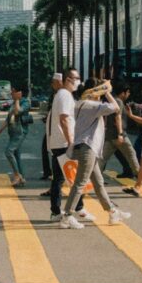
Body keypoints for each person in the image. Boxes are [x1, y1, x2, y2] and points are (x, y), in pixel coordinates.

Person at [60, 80, 132, 229]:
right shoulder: (92, 106)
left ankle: (112, 212)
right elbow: (116, 107)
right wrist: (107, 92)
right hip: (88, 147)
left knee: (98, 183)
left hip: (83, 147)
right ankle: (67, 216)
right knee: (80, 183)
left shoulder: (80, 103)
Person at [47, 70, 87, 221]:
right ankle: (76, 209)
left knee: (61, 178)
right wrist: (71, 142)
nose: (78, 81)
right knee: (74, 178)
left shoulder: (63, 95)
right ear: (68, 79)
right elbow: (64, 119)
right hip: (64, 143)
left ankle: (58, 212)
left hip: (60, 142)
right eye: (77, 78)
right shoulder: (64, 95)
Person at [102, 81, 141, 189]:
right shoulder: (118, 101)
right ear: (124, 92)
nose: (128, 95)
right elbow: (117, 118)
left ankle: (93, 176)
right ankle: (139, 175)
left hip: (110, 135)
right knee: (131, 153)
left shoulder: (113, 100)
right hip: (118, 134)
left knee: (102, 158)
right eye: (128, 93)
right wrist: (120, 134)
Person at [0, 86, 27, 186]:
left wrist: (17, 99)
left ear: (20, 93)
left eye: (13, 92)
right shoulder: (14, 103)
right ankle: (21, 178)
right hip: (12, 132)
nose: (11, 94)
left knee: (8, 151)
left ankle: (17, 175)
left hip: (20, 132)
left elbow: (18, 112)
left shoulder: (25, 102)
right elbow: (8, 118)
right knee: (16, 155)